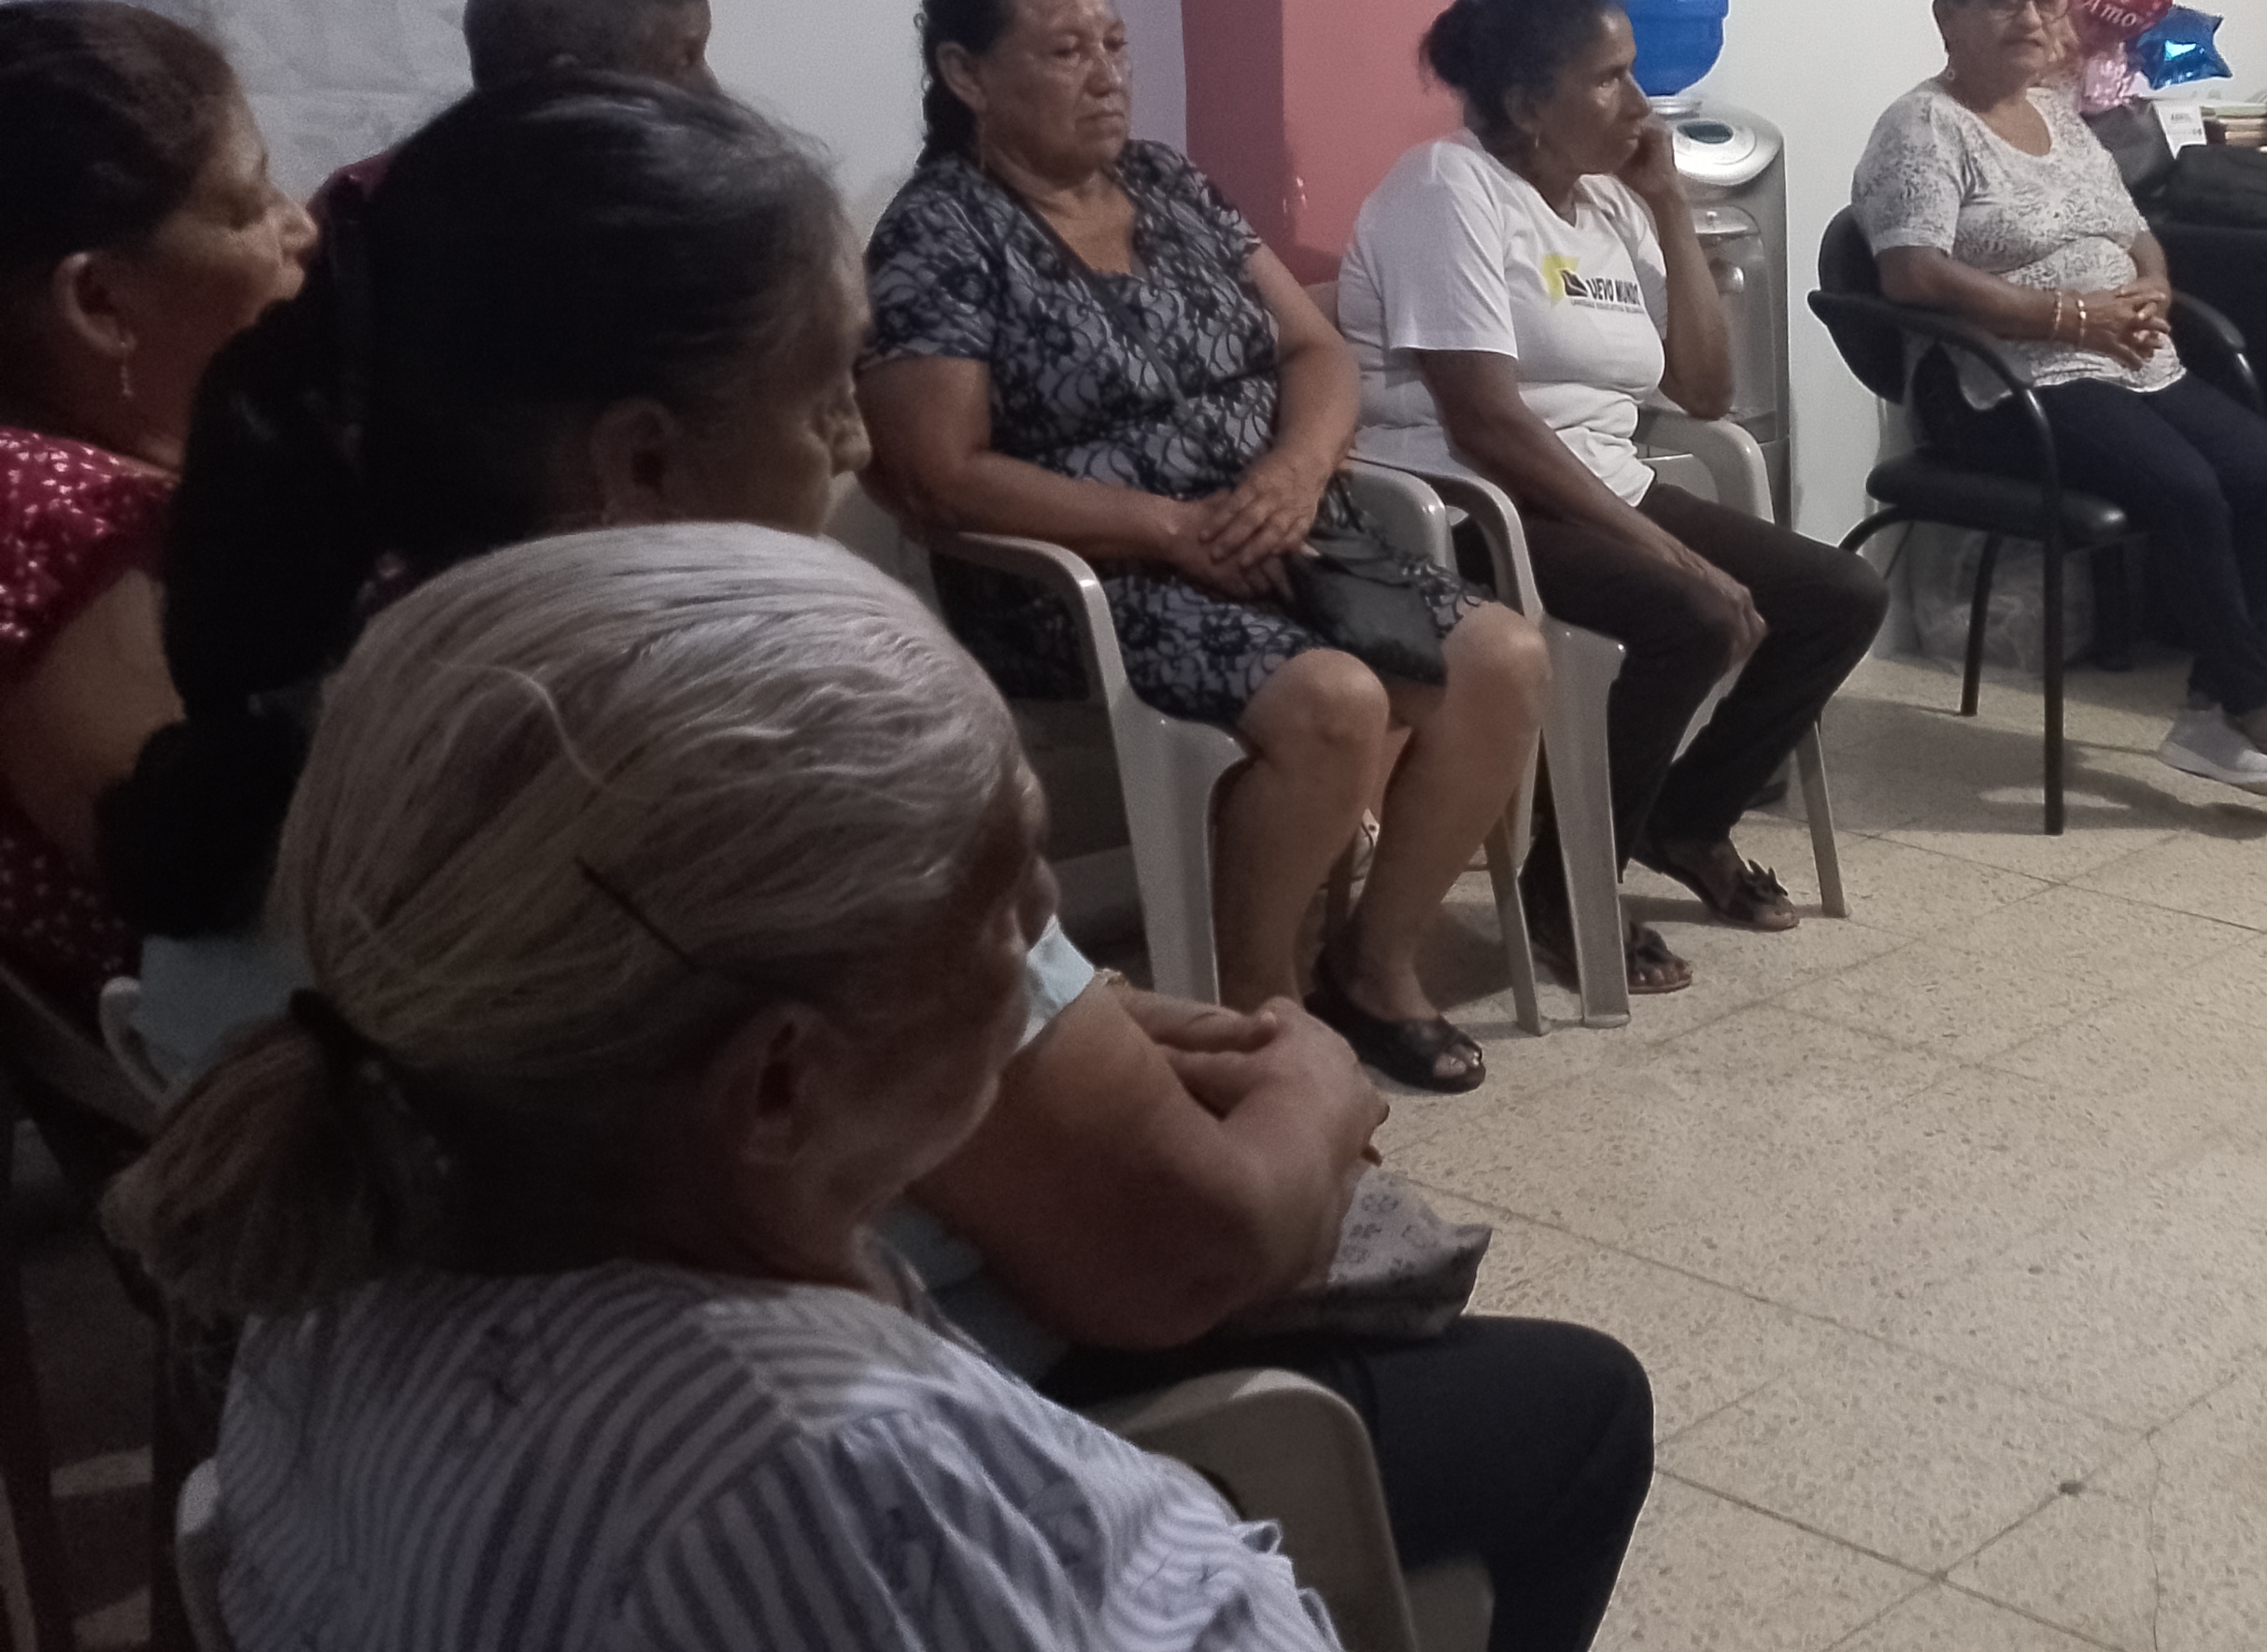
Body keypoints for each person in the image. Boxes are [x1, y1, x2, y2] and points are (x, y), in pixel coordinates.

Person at [106, 74, 1654, 1650]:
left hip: (483, 1460)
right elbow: (1179, 1248)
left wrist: (1081, 1018)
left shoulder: (302, 741)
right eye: (822, 405)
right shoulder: (749, 789)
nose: (853, 452)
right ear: (639, 465)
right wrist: (1310, 1081)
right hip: (994, 1402)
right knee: (1577, 1405)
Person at [106, 523, 1346, 1650]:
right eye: (1009, 893)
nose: (1050, 913)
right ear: (780, 1083)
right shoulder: (811, 1481)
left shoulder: (332, 1282)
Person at [861, 0, 1547, 1087]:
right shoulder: (942, 231)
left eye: (1114, 45)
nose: (1106, 75)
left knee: (1504, 658)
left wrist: (1293, 473)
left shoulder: (1170, 185)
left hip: (1283, 533)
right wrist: (1169, 529)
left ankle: (1374, 963)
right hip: (1088, 580)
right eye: (1067, 51)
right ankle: (1260, 1015)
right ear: (965, 74)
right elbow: (937, 473)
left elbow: (1315, 349)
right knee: (1333, 699)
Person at [1343, 0, 1885, 995]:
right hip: (1467, 504)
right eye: (1608, 78)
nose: (1639, 103)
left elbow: (1706, 390)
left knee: (1838, 597)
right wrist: (1667, 550)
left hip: (1597, 486)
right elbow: (1486, 422)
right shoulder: (1447, 189)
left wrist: (1669, 208)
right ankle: (1564, 892)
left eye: (1633, 72)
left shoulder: (1607, 205)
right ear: (1524, 105)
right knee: (1691, 617)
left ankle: (1687, 819)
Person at [1848, 0, 2267, 813]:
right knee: (2186, 488)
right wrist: (2067, 315)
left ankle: (2211, 715)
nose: (2030, 18)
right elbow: (1911, 272)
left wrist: (2153, 289)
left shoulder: (2058, 116)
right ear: (1948, 15)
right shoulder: (1922, 128)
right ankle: (2263, 713)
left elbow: (2135, 232)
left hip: (2125, 359)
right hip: (2000, 381)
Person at [0, 1, 310, 1032]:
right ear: (99, 303)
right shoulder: (73, 522)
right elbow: (234, 892)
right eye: (250, 203)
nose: (300, 227)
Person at [313, 0, 717, 226]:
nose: (711, 88)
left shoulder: (359, 203)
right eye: (683, 59)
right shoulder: (361, 218)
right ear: (567, 90)